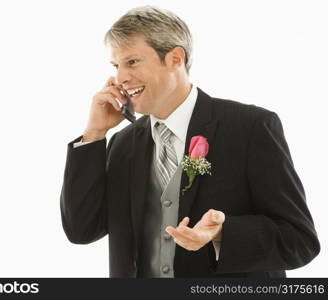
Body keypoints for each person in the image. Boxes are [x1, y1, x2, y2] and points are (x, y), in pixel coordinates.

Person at [60, 6, 320, 277]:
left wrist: (222, 234)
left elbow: (299, 241)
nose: (120, 77)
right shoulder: (123, 143)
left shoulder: (251, 127)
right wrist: (94, 134)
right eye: (117, 65)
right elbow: (82, 231)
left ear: (175, 58)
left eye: (132, 62)